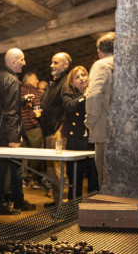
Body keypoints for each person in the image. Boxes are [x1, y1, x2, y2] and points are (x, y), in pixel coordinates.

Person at [0, 48, 35, 215]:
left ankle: (9, 202)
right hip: (6, 134)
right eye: (22, 60)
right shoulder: (12, 80)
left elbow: (1, 104)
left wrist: (20, 99)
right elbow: (10, 112)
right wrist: (14, 137)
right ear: (13, 62)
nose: (24, 63)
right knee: (15, 169)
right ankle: (7, 204)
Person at [60, 66, 99, 199]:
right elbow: (70, 107)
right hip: (75, 141)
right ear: (71, 83)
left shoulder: (96, 93)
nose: (82, 78)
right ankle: (73, 211)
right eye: (77, 77)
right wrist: (86, 96)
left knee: (94, 177)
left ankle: (94, 209)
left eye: (84, 75)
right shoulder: (68, 94)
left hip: (92, 139)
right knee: (75, 179)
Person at [85, 32, 115, 189]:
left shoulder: (101, 65)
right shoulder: (128, 65)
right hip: (127, 130)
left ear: (99, 51)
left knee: (105, 178)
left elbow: (94, 95)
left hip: (106, 129)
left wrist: (89, 121)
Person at [40, 52, 71, 201]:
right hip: (50, 131)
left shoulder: (66, 82)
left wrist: (60, 129)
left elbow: (68, 108)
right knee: (52, 170)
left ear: (65, 64)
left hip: (58, 132)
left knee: (59, 170)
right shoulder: (55, 82)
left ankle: (63, 204)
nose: (51, 65)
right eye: (52, 62)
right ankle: (56, 201)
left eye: (56, 63)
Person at [20, 72, 45, 187]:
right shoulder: (34, 92)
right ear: (29, 80)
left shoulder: (19, 90)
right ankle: (36, 180)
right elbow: (37, 109)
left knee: (24, 154)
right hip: (33, 127)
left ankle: (24, 179)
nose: (37, 81)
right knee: (36, 154)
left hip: (21, 128)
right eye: (35, 79)